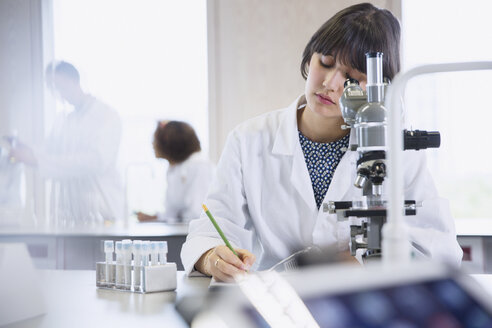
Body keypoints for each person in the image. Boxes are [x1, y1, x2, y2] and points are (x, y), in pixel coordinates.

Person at [181, 3, 463, 282]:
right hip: (280, 303)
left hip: (360, 301)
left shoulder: (393, 145)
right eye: (325, 62)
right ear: (309, 58)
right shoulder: (248, 140)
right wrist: (212, 256)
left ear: (380, 86)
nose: (331, 83)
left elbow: (438, 247)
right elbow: (212, 228)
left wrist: (351, 264)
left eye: (352, 78)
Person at [9, 61, 123, 225]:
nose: (57, 94)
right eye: (51, 88)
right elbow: (50, 150)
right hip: (73, 215)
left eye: (59, 86)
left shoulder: (106, 116)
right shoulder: (65, 120)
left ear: (74, 80)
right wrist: (26, 150)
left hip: (103, 212)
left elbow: (95, 162)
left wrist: (37, 159)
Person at [137, 121, 215, 223]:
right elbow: (173, 212)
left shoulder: (199, 166)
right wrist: (155, 217)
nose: (152, 144)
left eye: (155, 140)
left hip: (197, 231)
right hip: (184, 229)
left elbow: (196, 213)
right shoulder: (174, 169)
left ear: (170, 143)